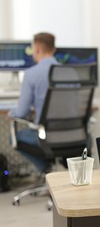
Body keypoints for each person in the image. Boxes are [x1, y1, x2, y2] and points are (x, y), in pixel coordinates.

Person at [8, 32, 60, 173]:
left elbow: (22, 112)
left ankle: (46, 172)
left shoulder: (31, 74)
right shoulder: (69, 72)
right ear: (53, 49)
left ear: (37, 48)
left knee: (13, 138)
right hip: (73, 134)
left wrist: (11, 113)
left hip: (45, 136)